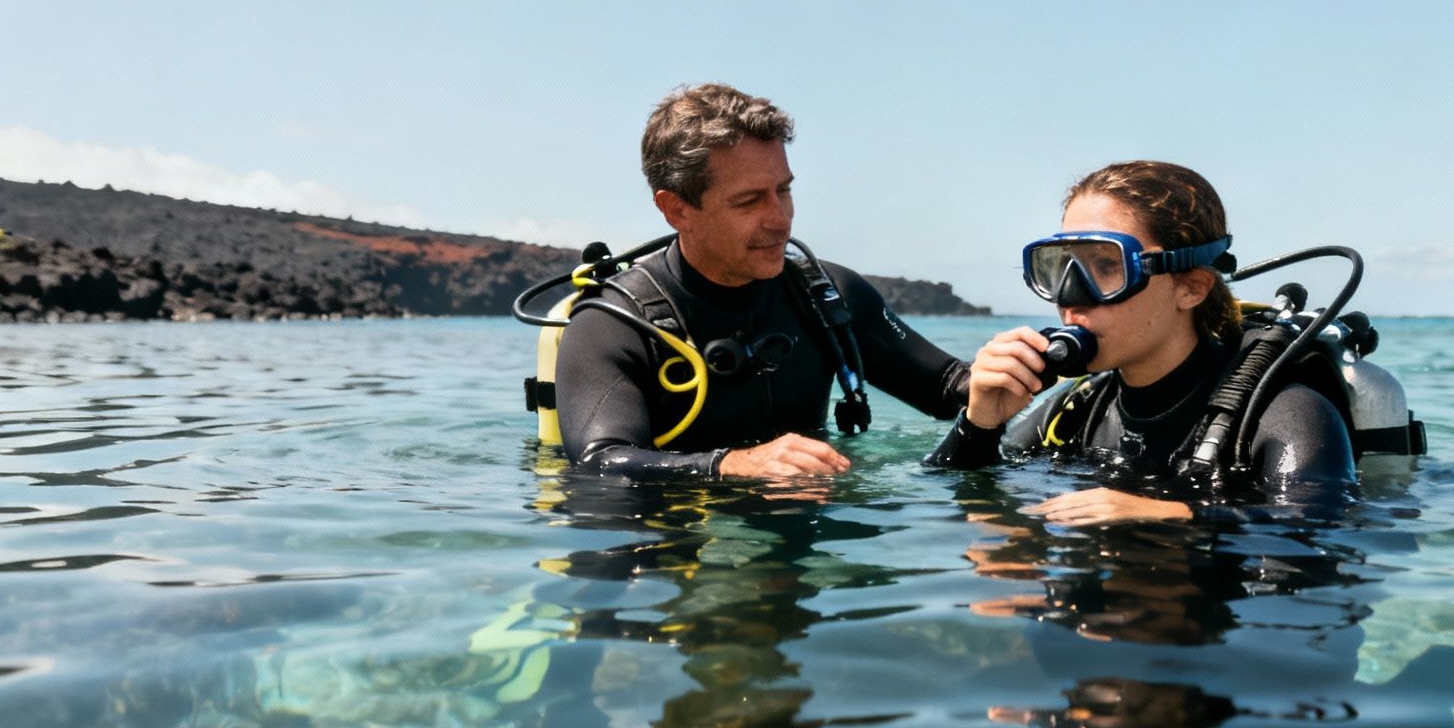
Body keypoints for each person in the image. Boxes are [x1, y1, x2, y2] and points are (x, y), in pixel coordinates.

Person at [555, 84, 969, 479]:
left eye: (783, 191)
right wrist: (731, 465)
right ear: (677, 210)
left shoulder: (826, 295)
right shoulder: (611, 326)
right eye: (749, 201)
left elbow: (946, 388)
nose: (780, 220)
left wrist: (1005, 370)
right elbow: (600, 464)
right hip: (681, 539)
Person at [925, 160, 1355, 524]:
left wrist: (1174, 515)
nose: (1071, 294)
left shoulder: (1286, 413)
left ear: (1192, 287)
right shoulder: (1080, 410)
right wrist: (979, 424)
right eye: (1061, 266)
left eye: (1107, 265)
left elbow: (1315, 539)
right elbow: (947, 492)